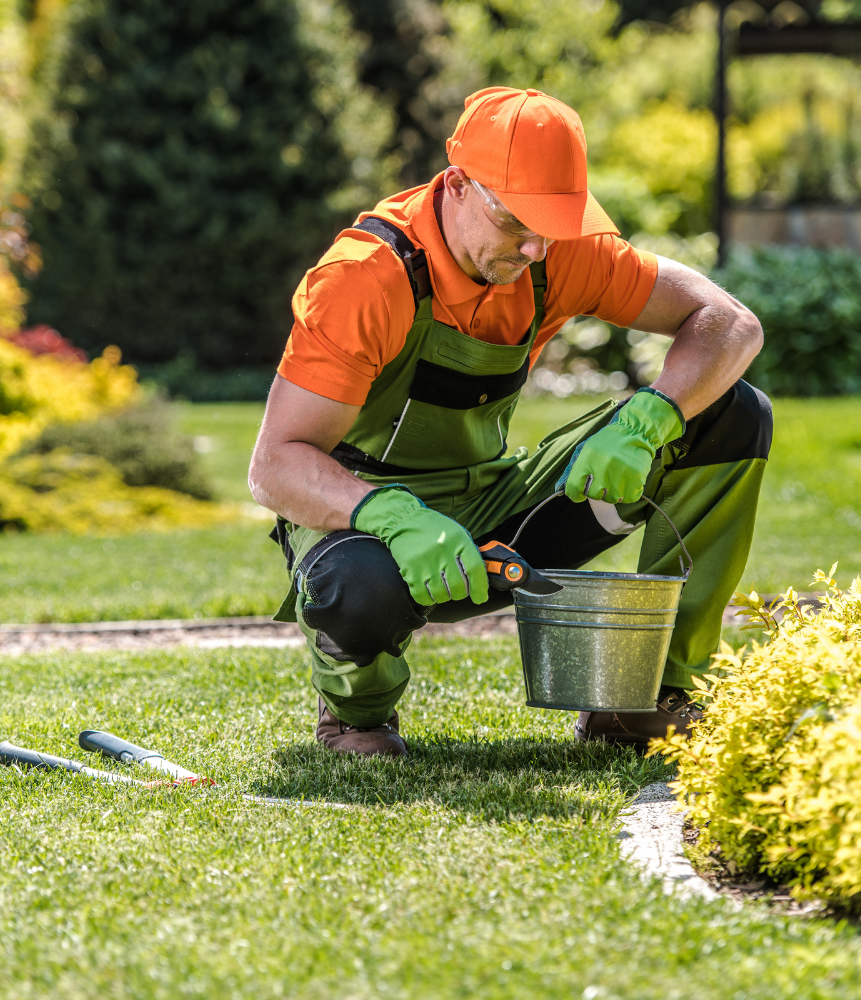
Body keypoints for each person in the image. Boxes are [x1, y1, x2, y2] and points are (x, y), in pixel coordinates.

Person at [249, 87, 770, 757]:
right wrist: (393, 517)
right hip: (367, 532)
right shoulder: (365, 278)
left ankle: (649, 699)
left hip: (500, 510)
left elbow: (731, 324)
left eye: (551, 225)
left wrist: (650, 419)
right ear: (459, 184)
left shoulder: (556, 252)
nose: (533, 247)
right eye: (516, 221)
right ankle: (358, 716)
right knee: (354, 588)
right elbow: (276, 464)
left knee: (732, 412)